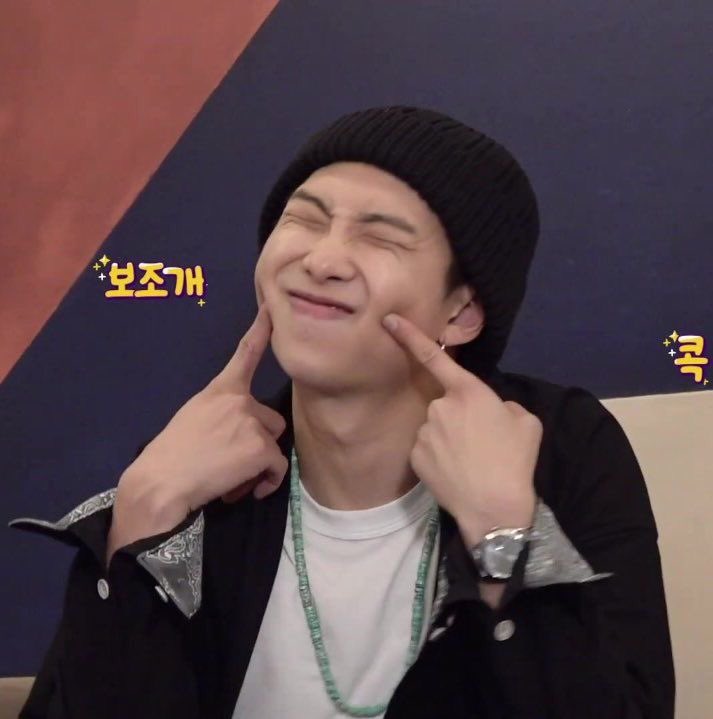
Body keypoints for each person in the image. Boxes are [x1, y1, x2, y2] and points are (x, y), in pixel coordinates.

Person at [9, 106, 674, 718]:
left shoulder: (559, 450)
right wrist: (140, 525)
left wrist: (503, 534)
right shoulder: (200, 470)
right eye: (304, 220)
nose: (321, 259)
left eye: (381, 238)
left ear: (462, 311)